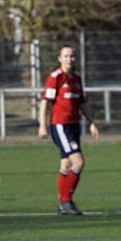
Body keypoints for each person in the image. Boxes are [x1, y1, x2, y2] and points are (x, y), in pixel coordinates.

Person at [37, 45, 99, 215]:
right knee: (79, 162)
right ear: (59, 58)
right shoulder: (55, 77)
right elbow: (44, 103)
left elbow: (82, 103)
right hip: (60, 125)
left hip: (74, 126)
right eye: (65, 56)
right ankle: (66, 201)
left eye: (72, 56)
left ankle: (62, 204)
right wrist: (42, 125)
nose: (69, 59)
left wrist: (91, 122)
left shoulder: (76, 79)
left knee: (66, 165)